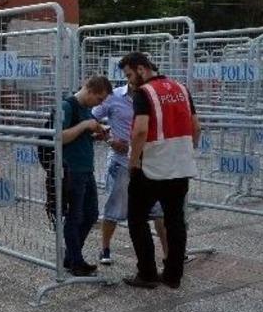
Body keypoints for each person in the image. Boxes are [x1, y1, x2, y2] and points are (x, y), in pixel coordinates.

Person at [120, 53, 200, 290]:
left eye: (129, 75)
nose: (129, 81)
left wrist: (133, 161)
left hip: (151, 167)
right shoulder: (182, 89)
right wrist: (187, 149)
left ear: (142, 69)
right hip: (181, 166)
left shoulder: (144, 93)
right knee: (175, 221)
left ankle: (147, 273)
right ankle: (173, 275)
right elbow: (196, 126)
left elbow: (140, 131)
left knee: (136, 219)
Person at [91, 82, 167, 265]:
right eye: (130, 75)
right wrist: (109, 138)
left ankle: (168, 253)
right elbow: (90, 117)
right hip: (121, 161)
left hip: (150, 162)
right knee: (114, 205)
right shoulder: (114, 97)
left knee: (159, 210)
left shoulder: (154, 97)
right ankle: (105, 248)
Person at [61, 75, 111, 276]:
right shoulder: (67, 106)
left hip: (85, 168)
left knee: (90, 214)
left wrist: (95, 134)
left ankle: (72, 256)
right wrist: (84, 126)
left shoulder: (86, 109)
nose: (99, 104)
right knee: (74, 216)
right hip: (72, 169)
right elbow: (59, 137)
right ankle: (75, 261)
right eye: (98, 99)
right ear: (89, 90)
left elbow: (79, 135)